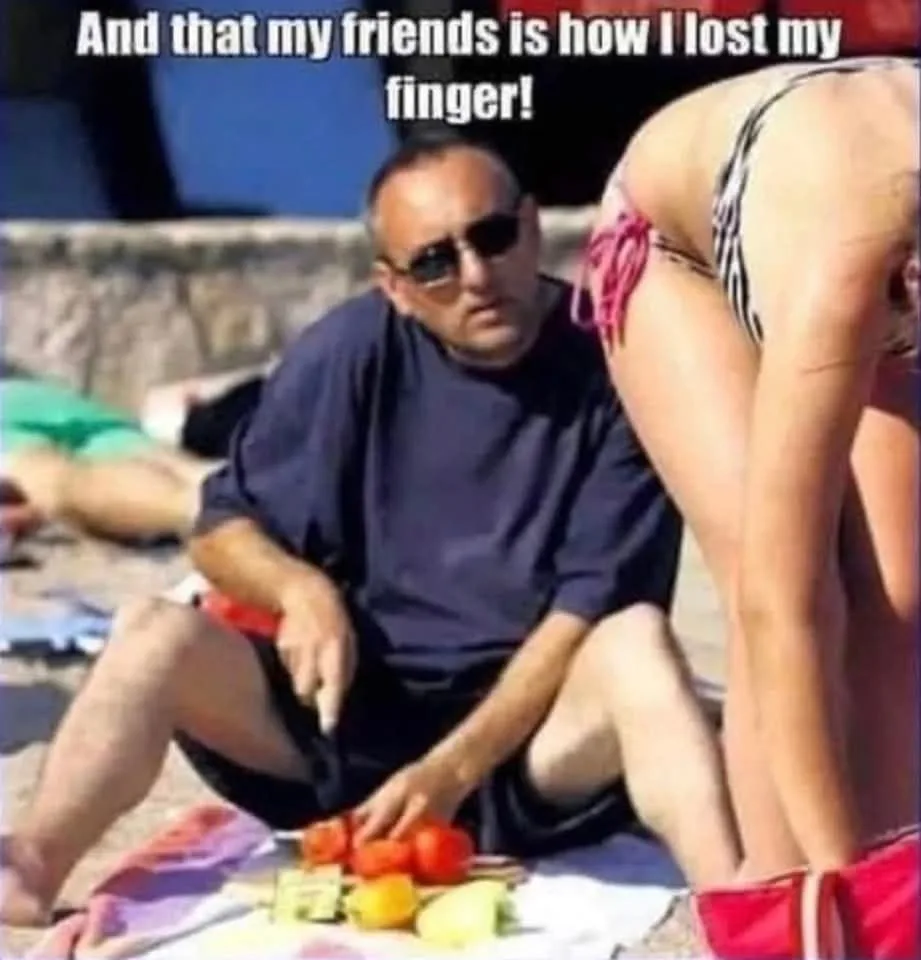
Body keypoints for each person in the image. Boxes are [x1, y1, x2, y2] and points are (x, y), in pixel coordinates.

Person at [0, 133, 741, 928]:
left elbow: (586, 614)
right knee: (153, 630)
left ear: (531, 227)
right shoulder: (352, 350)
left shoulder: (615, 364)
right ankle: (30, 867)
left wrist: (449, 771)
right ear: (394, 286)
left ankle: (744, 906)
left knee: (636, 643)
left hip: (530, 752)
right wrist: (299, 590)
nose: (475, 275)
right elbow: (219, 529)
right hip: (344, 737)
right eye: (434, 262)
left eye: (492, 236)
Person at [573, 56, 919, 879]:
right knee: (780, 580)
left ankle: (899, 878)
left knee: (898, 600)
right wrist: (842, 878)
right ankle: (786, 895)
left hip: (839, 181)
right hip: (676, 250)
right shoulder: (844, 269)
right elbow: (781, 606)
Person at [1, 375, 220, 541]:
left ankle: (215, 511)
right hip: (34, 401)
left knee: (56, 486)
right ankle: (221, 497)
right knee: (191, 471)